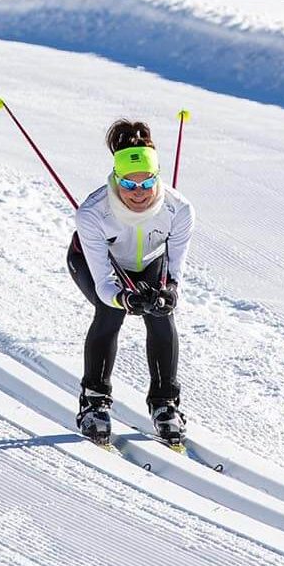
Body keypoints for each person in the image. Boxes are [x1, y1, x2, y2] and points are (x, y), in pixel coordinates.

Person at [69, 119, 196, 446]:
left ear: (158, 177)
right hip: (92, 264)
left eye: (146, 183)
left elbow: (174, 270)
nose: (137, 193)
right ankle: (93, 403)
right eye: (127, 183)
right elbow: (105, 286)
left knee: (160, 313)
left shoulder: (179, 210)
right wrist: (124, 299)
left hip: (149, 262)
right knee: (109, 312)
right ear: (115, 178)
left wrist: (169, 291)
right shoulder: (92, 214)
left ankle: (164, 403)